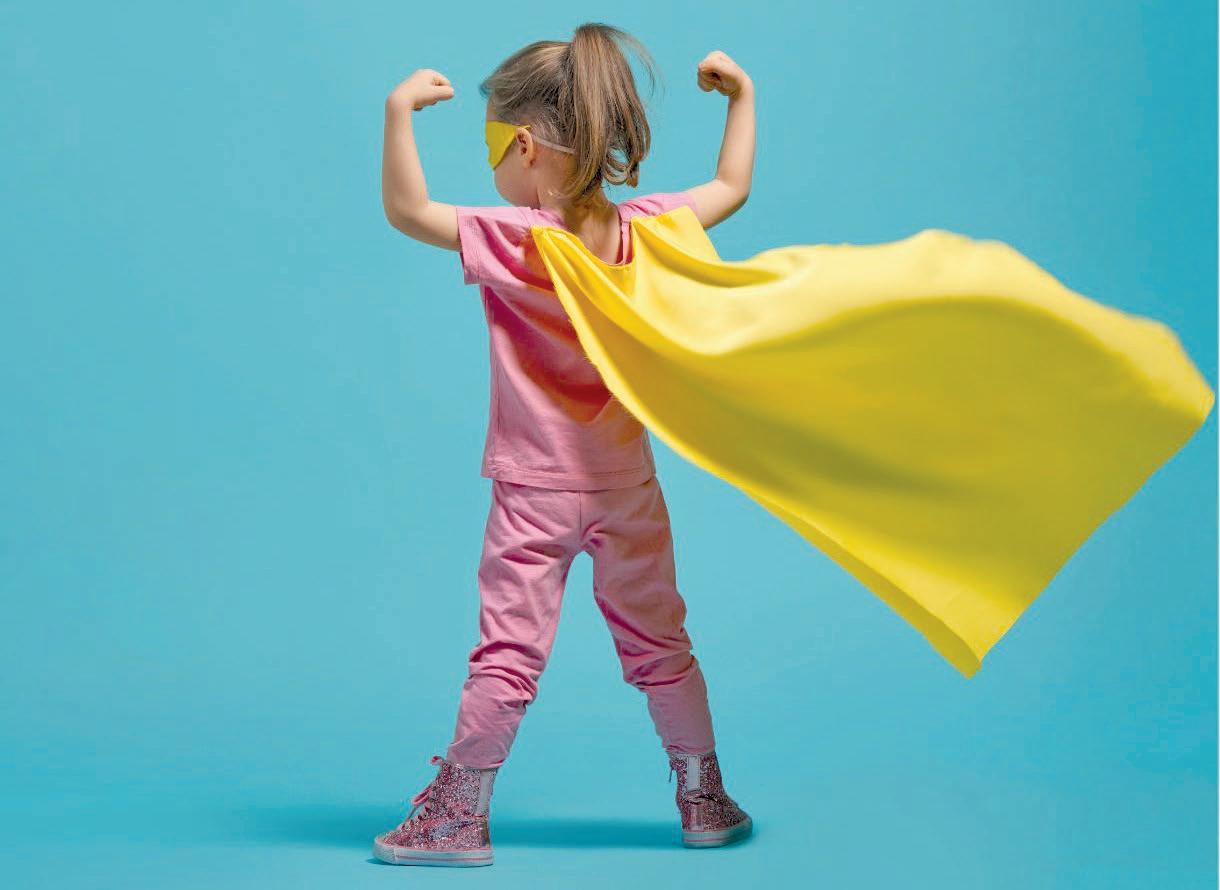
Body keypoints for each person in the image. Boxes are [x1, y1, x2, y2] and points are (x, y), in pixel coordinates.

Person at [374, 23, 756, 867]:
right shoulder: (647, 229)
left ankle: (457, 817)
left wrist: (399, 111)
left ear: (524, 145)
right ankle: (704, 797)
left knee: (508, 652)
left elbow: (407, 210)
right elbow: (732, 186)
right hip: (628, 485)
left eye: (491, 150)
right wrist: (743, 98)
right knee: (662, 644)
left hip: (532, 491)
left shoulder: (515, 237)